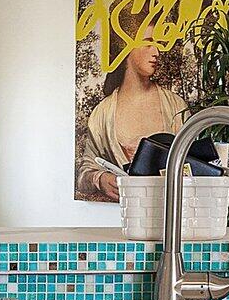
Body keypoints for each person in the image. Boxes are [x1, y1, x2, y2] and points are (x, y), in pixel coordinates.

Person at [77, 31, 193, 203]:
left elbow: (196, 163)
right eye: (147, 43)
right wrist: (100, 179)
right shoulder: (102, 113)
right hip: (115, 216)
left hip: (168, 212)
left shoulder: (175, 105)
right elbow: (86, 169)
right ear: (125, 49)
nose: (156, 51)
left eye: (158, 44)